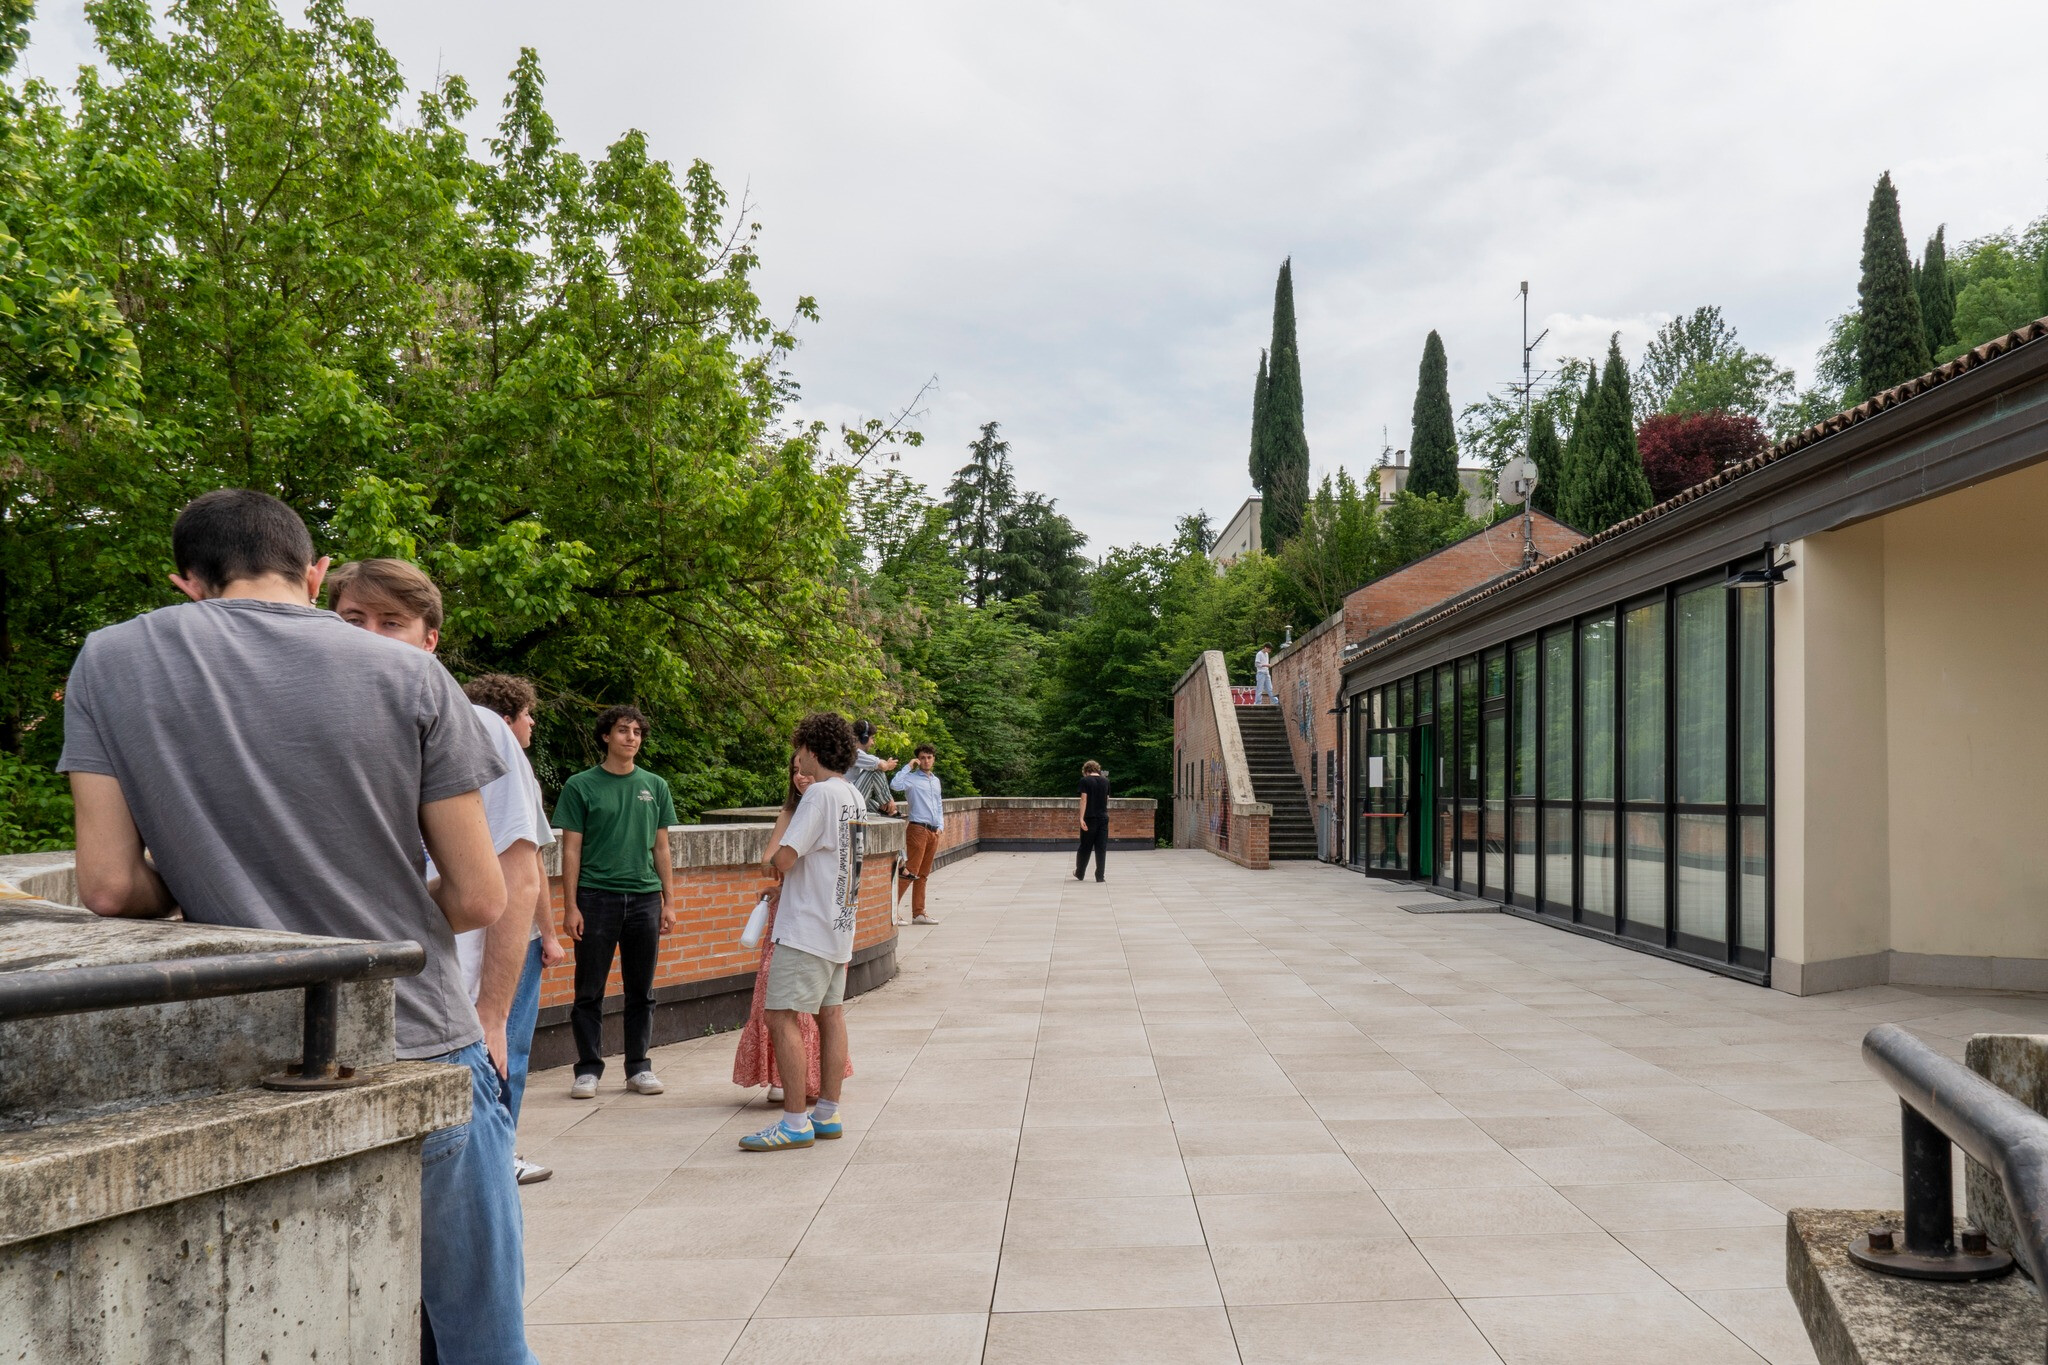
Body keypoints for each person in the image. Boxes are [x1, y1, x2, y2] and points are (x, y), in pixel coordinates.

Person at [59, 489, 535, 1365]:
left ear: (187, 580)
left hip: (242, 1058)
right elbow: (478, 897)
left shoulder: (109, 660)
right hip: (418, 1038)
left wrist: (212, 872)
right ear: (315, 573)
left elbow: (107, 885)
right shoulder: (410, 674)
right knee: (480, 1341)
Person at [463, 673, 568, 1186]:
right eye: (526, 714)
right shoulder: (508, 766)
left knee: (503, 1048)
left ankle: (497, 1147)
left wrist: (546, 935)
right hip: (494, 946)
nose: (531, 724)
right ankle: (499, 1150)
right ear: (503, 719)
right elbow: (525, 871)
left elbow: (530, 871)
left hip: (514, 937)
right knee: (506, 1048)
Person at [740, 712, 862, 1152]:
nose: (798, 760)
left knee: (781, 1015)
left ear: (812, 750)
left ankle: (793, 1122)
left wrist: (774, 853)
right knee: (831, 1015)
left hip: (806, 929)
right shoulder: (852, 794)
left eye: (801, 750)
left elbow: (784, 858)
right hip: (838, 926)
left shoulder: (819, 796)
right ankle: (826, 1114)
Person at [554, 704, 677, 1100]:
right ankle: (588, 1069)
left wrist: (668, 901)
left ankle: (638, 1067)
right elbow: (570, 850)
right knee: (589, 990)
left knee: (641, 990)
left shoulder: (655, 785)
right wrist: (570, 905)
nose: (632, 738)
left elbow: (662, 848)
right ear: (606, 735)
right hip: (595, 897)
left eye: (637, 732)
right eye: (624, 730)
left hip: (644, 898)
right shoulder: (581, 785)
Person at [891, 743, 944, 926]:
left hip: (932, 830)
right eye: (922, 757)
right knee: (910, 871)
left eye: (929, 757)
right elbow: (894, 785)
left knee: (923, 874)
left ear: (933, 759)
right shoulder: (911, 779)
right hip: (917, 829)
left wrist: (940, 825)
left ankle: (919, 913)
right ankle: (892, 910)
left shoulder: (935, 781)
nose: (926, 761)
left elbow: (938, 804)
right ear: (918, 759)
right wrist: (908, 766)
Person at [847, 719, 898, 817]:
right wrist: (889, 799)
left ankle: (888, 810)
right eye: (872, 738)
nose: (873, 742)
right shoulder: (853, 753)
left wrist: (884, 764)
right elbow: (881, 765)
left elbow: (877, 762)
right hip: (848, 802)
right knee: (875, 772)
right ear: (864, 738)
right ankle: (890, 806)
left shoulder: (851, 751)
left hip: (849, 798)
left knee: (876, 806)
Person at [1076, 759, 1111, 883]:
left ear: (1086, 771)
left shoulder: (1085, 781)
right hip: (1103, 817)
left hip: (1089, 818)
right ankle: (1100, 876)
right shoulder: (1106, 781)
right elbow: (1106, 799)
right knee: (1101, 847)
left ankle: (1080, 873)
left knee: (1085, 846)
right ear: (1097, 769)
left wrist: (1081, 818)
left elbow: (1084, 800)